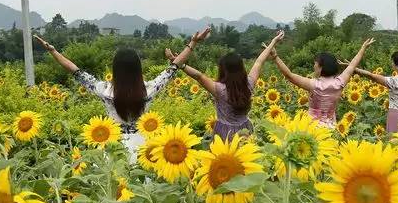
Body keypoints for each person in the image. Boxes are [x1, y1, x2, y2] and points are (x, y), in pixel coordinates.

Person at [33, 27, 211, 157]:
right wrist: (193, 43)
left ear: (115, 69)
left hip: (112, 146)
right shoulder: (148, 91)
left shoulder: (105, 91)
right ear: (138, 69)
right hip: (143, 147)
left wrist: (53, 51)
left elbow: (76, 71)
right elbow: (174, 67)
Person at [166, 30, 285, 141]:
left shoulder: (219, 89)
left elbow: (198, 76)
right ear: (241, 69)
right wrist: (274, 41)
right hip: (245, 130)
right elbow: (259, 61)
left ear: (223, 70)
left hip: (223, 132)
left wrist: (179, 63)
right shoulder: (249, 84)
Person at [269, 38, 376, 129]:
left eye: (315, 64)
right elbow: (352, 65)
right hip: (331, 127)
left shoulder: (314, 85)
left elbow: (289, 75)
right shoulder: (339, 82)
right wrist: (363, 48)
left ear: (320, 67)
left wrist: (275, 57)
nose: (314, 66)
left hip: (313, 128)